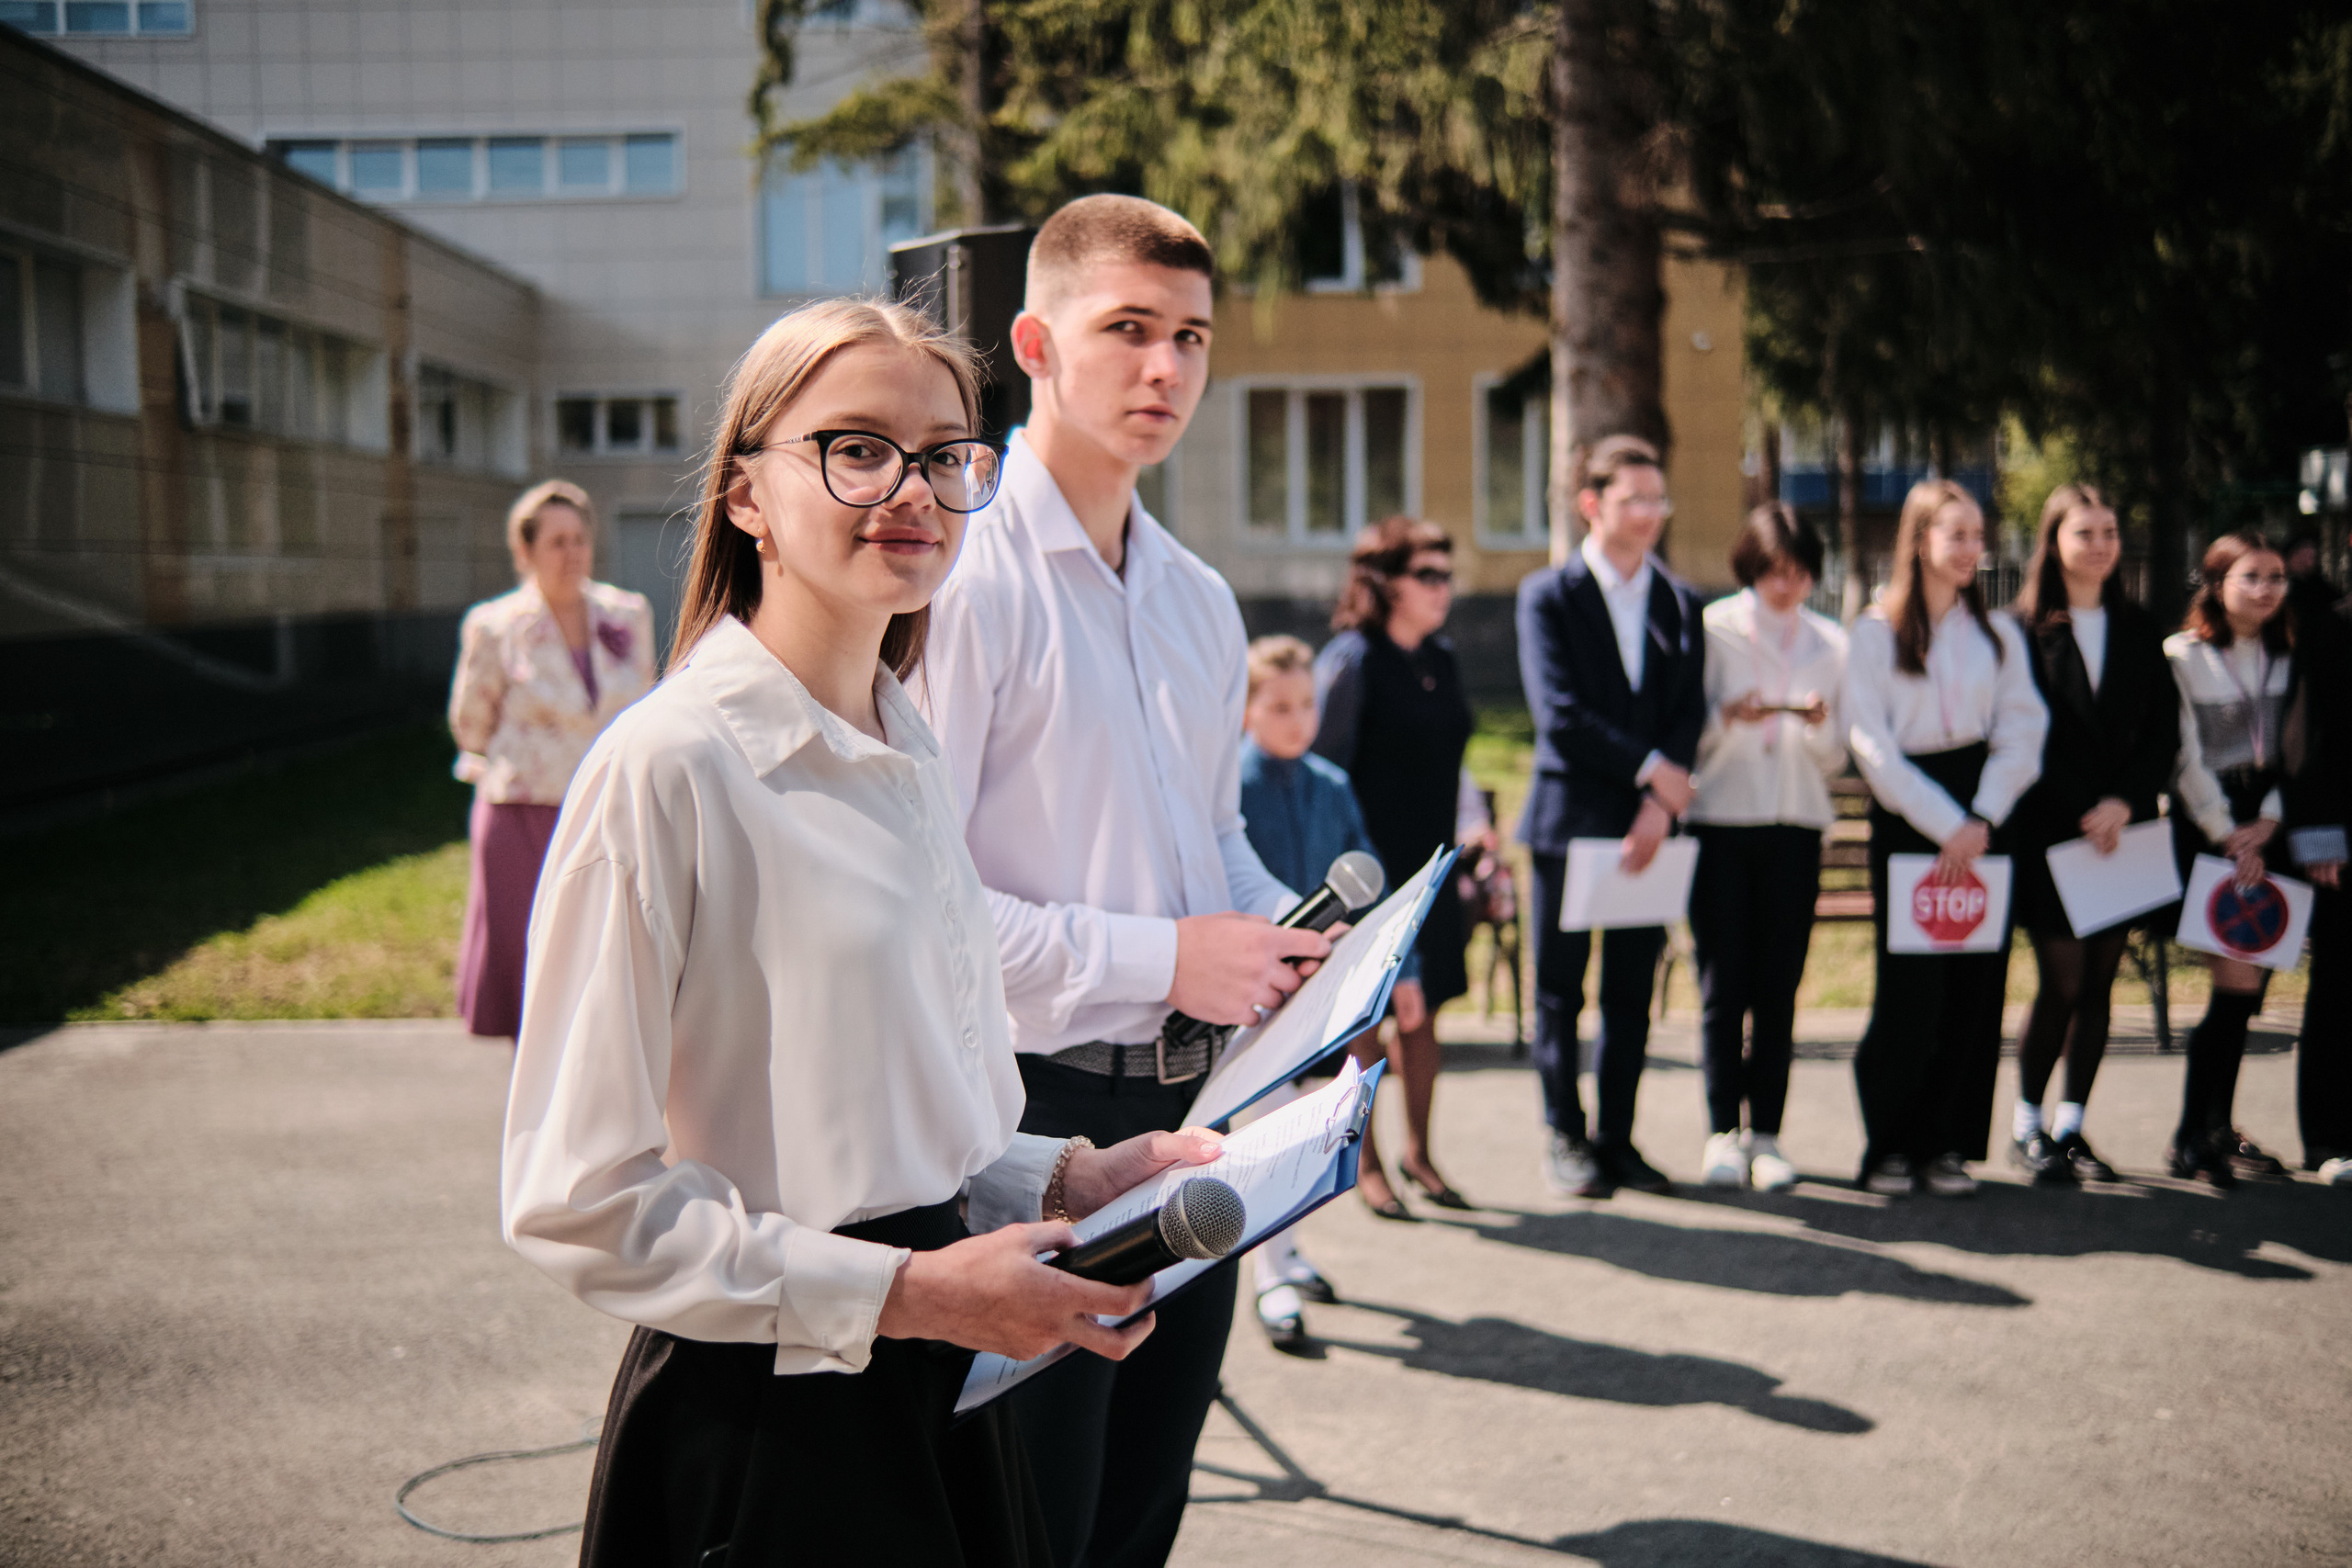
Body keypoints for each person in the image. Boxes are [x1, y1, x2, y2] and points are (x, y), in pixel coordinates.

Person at [502, 299, 1230, 1566]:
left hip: (935, 1378)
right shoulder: (670, 766)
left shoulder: (906, 740)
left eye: (947, 454)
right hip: (772, 1427)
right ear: (745, 496)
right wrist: (909, 1292)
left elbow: (889, 1124)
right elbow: (580, 1200)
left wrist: (1060, 1174)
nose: (914, 489)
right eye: (855, 446)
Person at [922, 195, 1329, 1568]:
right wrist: (1169, 960)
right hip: (1023, 1118)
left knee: (1142, 1508)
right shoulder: (962, 576)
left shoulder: (1200, 598)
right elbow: (921, 904)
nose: (1167, 369)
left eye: (1193, 338)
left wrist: (1292, 944)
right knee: (1028, 1521)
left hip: (1195, 1113)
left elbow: (1211, 840)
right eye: (1130, 331)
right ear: (1034, 342)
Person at [1843, 479, 2048, 1198]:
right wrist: (1945, 825)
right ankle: (1888, 1144)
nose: (1971, 548)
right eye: (1955, 533)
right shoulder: (1876, 631)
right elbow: (1871, 743)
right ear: (1919, 540)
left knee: (1972, 987)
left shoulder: (1997, 633)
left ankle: (1944, 1143)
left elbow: (2024, 728)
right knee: (1911, 992)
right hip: (1911, 818)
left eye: (1976, 534)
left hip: (1984, 815)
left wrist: (1982, 817)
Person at [1516, 435, 1707, 1199]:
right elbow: (1558, 713)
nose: (1651, 513)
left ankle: (1617, 1138)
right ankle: (1565, 1134)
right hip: (1571, 822)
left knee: (1633, 989)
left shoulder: (1679, 601)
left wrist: (1661, 800)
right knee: (1560, 989)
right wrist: (1649, 769)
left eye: (1659, 499)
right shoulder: (1547, 595)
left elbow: (1687, 711)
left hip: (1649, 829)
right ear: (1592, 503)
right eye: (1635, 499)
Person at [1314, 517, 1495, 1217]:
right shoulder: (1353, 660)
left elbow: (1454, 762)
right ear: (1385, 582)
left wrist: (1479, 829)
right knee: (1372, 1024)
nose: (1442, 588)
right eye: (1428, 574)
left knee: (1428, 1017)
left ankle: (1420, 1153)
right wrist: (1343, 886)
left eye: (1448, 574)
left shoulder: (1442, 659)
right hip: (1371, 877)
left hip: (1435, 869)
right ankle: (1365, 1161)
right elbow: (1322, 774)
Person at [2000, 485, 2178, 1185]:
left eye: (2110, 531)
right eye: (2086, 532)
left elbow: (2164, 730)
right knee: (2062, 980)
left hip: (2123, 830)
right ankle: (2026, 1122)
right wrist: (2084, 807)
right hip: (2052, 831)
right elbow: (2022, 732)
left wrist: (2124, 801)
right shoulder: (2022, 629)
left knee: (2102, 981)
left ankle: (2072, 1124)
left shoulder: (2138, 626)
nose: (2102, 543)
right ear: (2055, 541)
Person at [447, 479, 654, 1040]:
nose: (573, 554)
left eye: (580, 539)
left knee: (602, 967)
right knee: (530, 977)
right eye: (557, 542)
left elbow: (646, 705)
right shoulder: (494, 626)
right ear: (526, 552)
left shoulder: (627, 614)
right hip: (522, 816)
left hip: (607, 815)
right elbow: (471, 722)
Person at [1685, 502, 1848, 1191]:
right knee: (1724, 984)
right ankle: (1723, 1129)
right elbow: (1686, 734)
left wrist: (1813, 725)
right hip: (1721, 822)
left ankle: (1770, 1132)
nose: (1786, 586)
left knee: (1779, 985)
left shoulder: (1831, 643)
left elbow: (1836, 756)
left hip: (1795, 824)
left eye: (1798, 573)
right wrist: (1728, 717)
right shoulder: (1713, 629)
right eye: (1773, 572)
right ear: (1750, 568)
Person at [1235, 634, 1370, 1348]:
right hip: (1254, 1000)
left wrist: (1395, 973)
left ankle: (1288, 1250)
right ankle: (1272, 1276)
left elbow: (1367, 875)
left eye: (1307, 703)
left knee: (1312, 1132)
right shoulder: (1231, 784)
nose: (1296, 718)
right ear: (1247, 709)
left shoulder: (1333, 785)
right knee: (1266, 1137)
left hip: (1325, 999)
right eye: (1278, 704)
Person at [2164, 531, 2302, 1189]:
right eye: (2252, 576)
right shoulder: (2184, 656)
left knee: (2251, 992)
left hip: (2272, 826)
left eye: (2277, 577)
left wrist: (2270, 820)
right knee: (2233, 987)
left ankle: (2220, 1125)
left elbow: (2297, 745)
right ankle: (2196, 1133)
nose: (2267, 589)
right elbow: (2184, 754)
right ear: (2217, 582)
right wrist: (2228, 832)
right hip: (2211, 827)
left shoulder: (2289, 656)